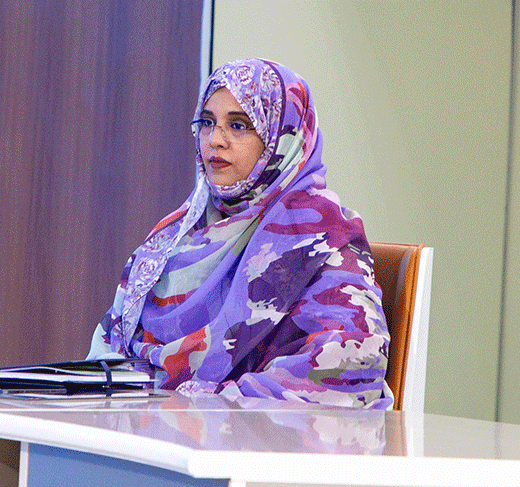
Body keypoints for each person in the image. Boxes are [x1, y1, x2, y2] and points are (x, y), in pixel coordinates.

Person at [87, 58, 394, 409]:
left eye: (238, 125)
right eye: (207, 123)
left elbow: (350, 369)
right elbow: (112, 349)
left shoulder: (321, 237)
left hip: (255, 436)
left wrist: (200, 407)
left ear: (281, 138)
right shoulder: (174, 236)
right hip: (142, 427)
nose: (215, 140)